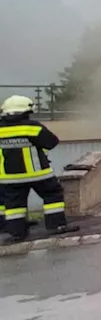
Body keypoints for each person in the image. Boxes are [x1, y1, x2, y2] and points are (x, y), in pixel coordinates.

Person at [1, 95, 77, 242]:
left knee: (14, 205)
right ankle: (56, 225)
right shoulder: (32, 127)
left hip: (9, 177)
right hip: (37, 173)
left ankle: (17, 232)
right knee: (52, 195)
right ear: (26, 111)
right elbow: (52, 142)